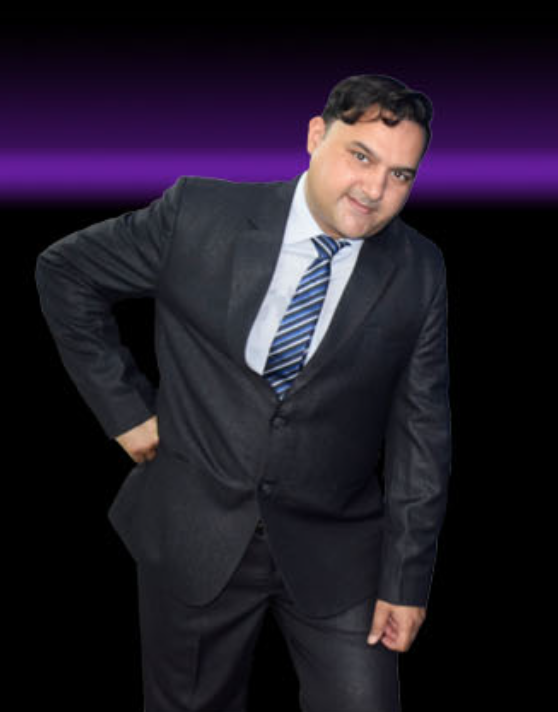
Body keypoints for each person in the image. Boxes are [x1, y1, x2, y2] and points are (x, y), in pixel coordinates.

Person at [35, 73, 452, 712]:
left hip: (338, 551)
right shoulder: (200, 214)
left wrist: (407, 579)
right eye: (361, 156)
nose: (374, 190)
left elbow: (423, 433)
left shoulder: (419, 269)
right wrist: (125, 410)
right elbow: (65, 272)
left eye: (401, 175)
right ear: (316, 136)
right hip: (194, 532)